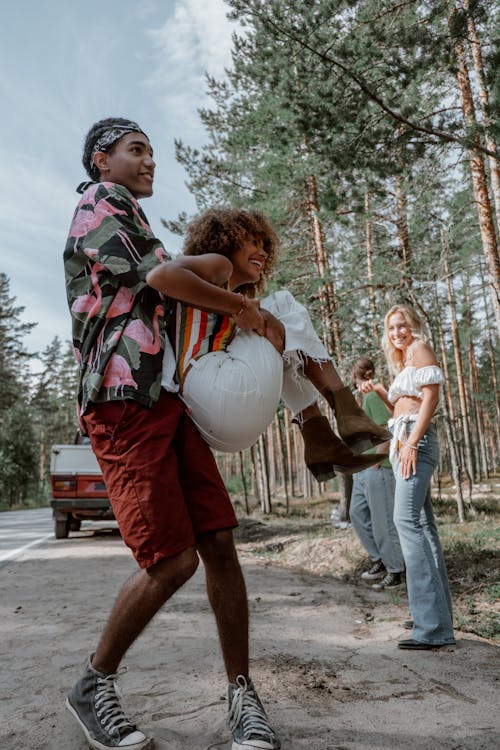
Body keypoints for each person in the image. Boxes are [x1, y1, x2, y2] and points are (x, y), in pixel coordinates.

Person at [64, 117, 281, 750]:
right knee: (173, 559)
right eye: (137, 150)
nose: (149, 160)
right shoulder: (99, 202)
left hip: (164, 398)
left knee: (218, 540)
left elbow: (174, 290)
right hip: (122, 399)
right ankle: (92, 683)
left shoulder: (133, 215)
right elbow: (161, 280)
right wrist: (242, 305)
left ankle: (243, 698)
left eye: (153, 151)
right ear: (101, 160)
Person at [146, 207, 390, 482]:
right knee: (281, 305)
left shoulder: (221, 298)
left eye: (265, 246)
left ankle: (320, 438)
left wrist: (251, 313)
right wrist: (245, 308)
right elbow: (157, 277)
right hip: (213, 387)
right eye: (253, 242)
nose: (262, 252)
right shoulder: (218, 264)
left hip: (214, 421)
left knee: (281, 336)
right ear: (228, 239)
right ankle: (346, 411)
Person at [358, 305, 455, 649]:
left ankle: (432, 629)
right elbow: (403, 407)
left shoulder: (419, 347)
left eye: (402, 325)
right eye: (391, 328)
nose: (397, 332)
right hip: (403, 440)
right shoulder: (405, 360)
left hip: (414, 440)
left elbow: (431, 396)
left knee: (406, 523)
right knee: (423, 527)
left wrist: (412, 443)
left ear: (414, 325)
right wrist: (383, 393)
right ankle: (435, 619)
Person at [350, 357, 404, 590]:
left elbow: (387, 429)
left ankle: (396, 571)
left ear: (356, 376)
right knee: (357, 514)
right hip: (364, 469)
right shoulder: (366, 397)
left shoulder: (373, 395)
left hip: (379, 468)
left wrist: (377, 462)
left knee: (383, 522)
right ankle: (379, 560)